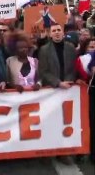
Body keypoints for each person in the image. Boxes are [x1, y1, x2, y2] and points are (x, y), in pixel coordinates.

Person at [38, 24, 77, 165]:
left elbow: (74, 67)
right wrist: (58, 83)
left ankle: (65, 151)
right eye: (54, 31)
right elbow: (43, 72)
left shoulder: (71, 48)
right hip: (53, 90)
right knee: (54, 121)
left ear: (63, 32)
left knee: (68, 121)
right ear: (49, 34)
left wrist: (69, 80)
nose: (56, 33)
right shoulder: (44, 50)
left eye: (59, 30)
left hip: (69, 89)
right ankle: (56, 150)